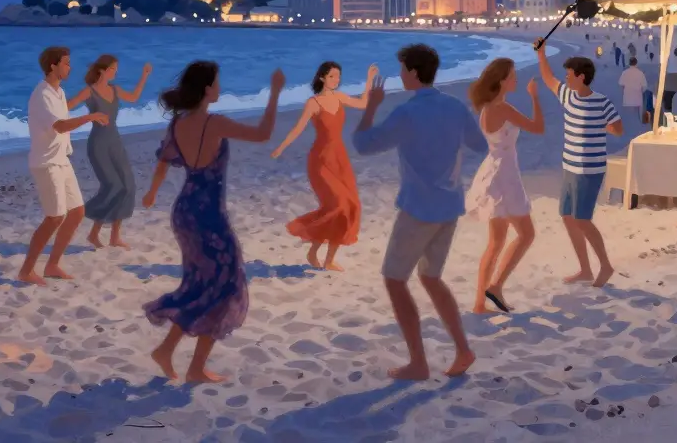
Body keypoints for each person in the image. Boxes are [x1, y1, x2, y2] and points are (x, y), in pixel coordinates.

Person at [142, 62, 285, 383]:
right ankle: (194, 367)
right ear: (207, 89)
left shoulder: (178, 124)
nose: (220, 88)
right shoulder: (214, 123)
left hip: (184, 212)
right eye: (217, 83)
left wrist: (152, 192)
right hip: (208, 216)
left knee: (200, 286)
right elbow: (263, 134)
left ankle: (166, 351)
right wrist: (275, 92)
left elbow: (163, 161)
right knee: (225, 286)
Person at [352, 44, 485, 380]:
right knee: (430, 277)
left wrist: (370, 107)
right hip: (449, 205)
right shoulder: (454, 106)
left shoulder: (408, 113)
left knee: (395, 280)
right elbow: (480, 144)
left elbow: (363, 144)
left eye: (402, 69)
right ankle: (463, 350)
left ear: (413, 72)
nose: (400, 75)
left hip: (420, 209)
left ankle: (418, 363)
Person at [271, 61, 379, 272]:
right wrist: (281, 148)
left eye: (338, 76)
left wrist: (368, 81)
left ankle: (327, 259)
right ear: (322, 77)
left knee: (349, 207)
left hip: (339, 159)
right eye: (332, 76)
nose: (336, 80)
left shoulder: (339, 97)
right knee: (338, 205)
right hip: (320, 161)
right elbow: (298, 128)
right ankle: (314, 252)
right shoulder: (313, 103)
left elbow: (363, 104)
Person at [17, 47, 110, 286]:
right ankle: (26, 271)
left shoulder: (58, 92)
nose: (70, 67)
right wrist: (90, 117)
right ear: (53, 66)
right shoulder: (42, 94)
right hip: (46, 162)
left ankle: (52, 265)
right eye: (66, 63)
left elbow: (63, 115)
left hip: (61, 159)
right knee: (55, 217)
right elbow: (59, 126)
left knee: (77, 212)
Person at [534, 40, 623, 288]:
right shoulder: (568, 96)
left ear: (581, 77)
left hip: (589, 169)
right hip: (569, 166)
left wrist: (598, 126)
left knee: (582, 219)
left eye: (569, 74)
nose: (565, 78)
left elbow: (618, 129)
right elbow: (548, 78)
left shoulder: (602, 102)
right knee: (567, 215)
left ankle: (605, 265)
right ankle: (585, 269)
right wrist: (541, 54)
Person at [466, 59, 544, 314]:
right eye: (512, 76)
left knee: (496, 242)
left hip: (492, 171)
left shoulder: (487, 109)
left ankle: (480, 303)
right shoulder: (503, 108)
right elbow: (538, 127)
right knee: (526, 234)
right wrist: (534, 97)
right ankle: (496, 286)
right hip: (505, 176)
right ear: (501, 81)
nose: (516, 79)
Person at [67, 56, 152, 249]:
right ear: (102, 70)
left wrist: (144, 76)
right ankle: (83, 216)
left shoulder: (115, 89)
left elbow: (133, 97)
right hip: (98, 144)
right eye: (113, 69)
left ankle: (114, 237)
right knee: (112, 185)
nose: (116, 72)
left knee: (127, 186)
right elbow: (66, 107)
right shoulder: (89, 91)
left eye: (116, 69)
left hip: (115, 141)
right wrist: (90, 116)